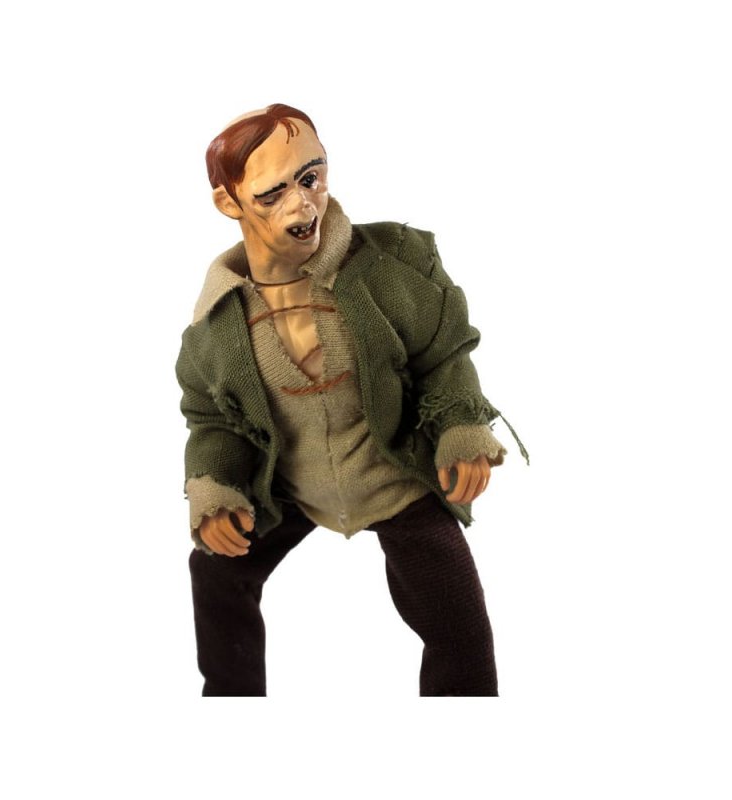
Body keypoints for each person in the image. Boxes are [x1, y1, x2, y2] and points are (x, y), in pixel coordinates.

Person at [176, 104, 525, 696]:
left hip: (392, 477)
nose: (303, 205)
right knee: (216, 569)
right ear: (228, 202)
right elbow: (213, 417)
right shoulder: (217, 324)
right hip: (291, 485)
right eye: (272, 193)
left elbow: (443, 354)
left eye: (312, 177)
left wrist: (460, 427)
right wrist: (214, 487)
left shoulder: (390, 264)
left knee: (459, 623)